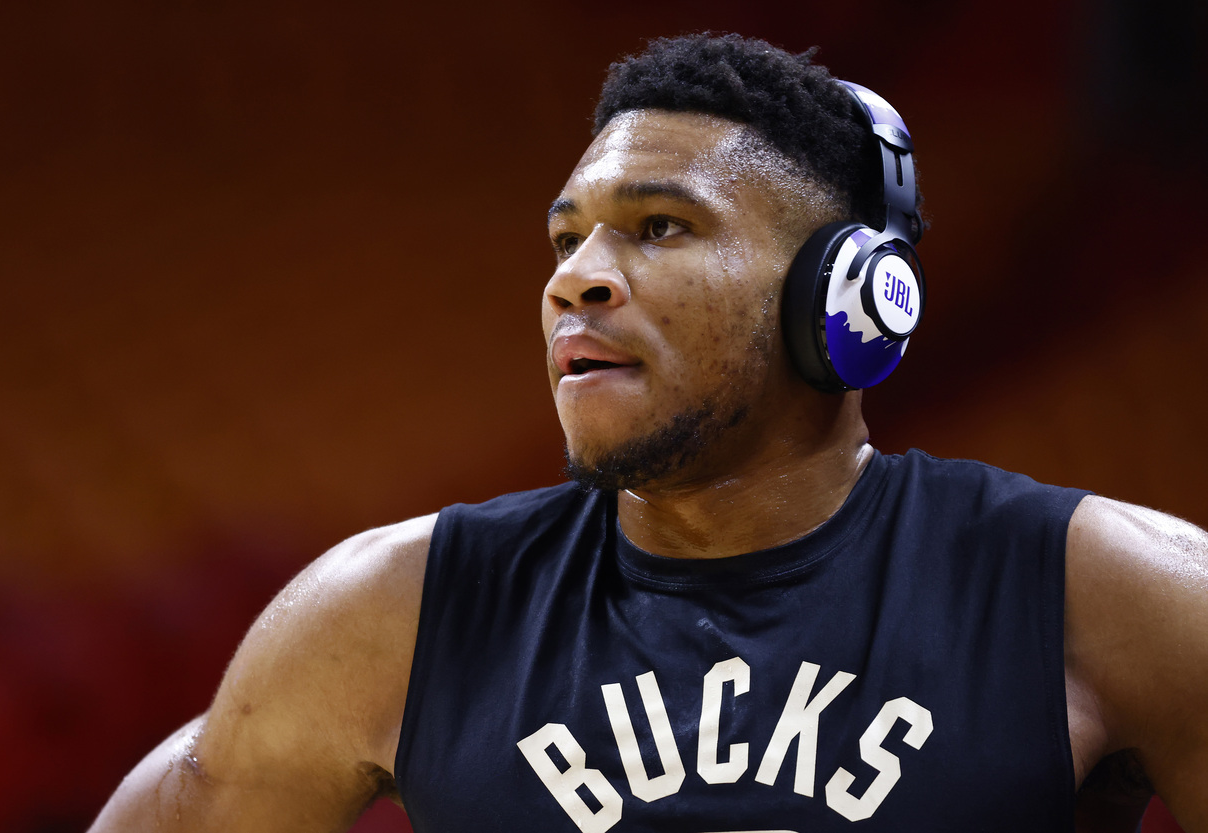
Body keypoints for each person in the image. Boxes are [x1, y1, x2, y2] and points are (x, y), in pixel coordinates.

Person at [89, 34, 1208, 833]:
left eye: (659, 227)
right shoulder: (390, 612)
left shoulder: (1098, 593)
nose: (575, 279)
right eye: (566, 238)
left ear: (849, 297)